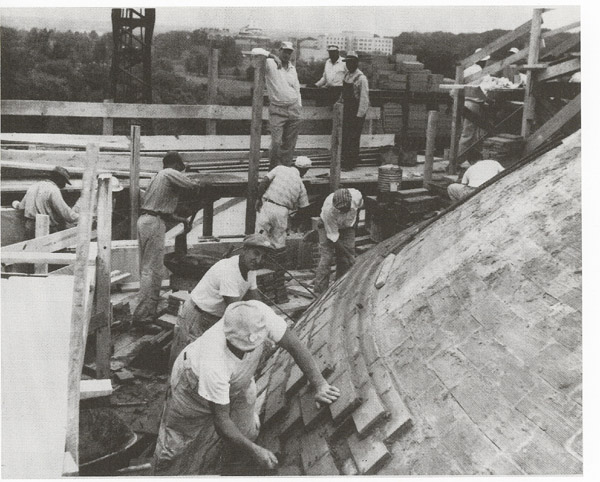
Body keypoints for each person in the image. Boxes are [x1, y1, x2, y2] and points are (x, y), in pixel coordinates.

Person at [153, 300, 341, 475]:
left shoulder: (257, 314)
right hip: (190, 386)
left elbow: (294, 345)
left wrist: (320, 384)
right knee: (177, 442)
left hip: (237, 379)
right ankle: (163, 473)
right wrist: (256, 451)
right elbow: (221, 421)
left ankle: (234, 461)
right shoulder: (213, 362)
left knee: (248, 430)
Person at [169, 233, 274, 368]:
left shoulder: (250, 269)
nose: (259, 260)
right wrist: (259, 337)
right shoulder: (229, 270)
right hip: (197, 316)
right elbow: (236, 312)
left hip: (213, 318)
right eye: (256, 253)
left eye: (263, 257)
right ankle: (170, 388)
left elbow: (256, 301)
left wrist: (269, 324)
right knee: (185, 362)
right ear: (245, 250)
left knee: (205, 364)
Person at [132, 151, 202, 326]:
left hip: (147, 220)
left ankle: (144, 313)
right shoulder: (169, 173)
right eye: (180, 169)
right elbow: (193, 185)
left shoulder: (158, 178)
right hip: (153, 223)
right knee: (153, 271)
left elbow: (162, 209)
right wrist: (196, 178)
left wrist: (182, 220)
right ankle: (144, 318)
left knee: (147, 270)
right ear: (176, 166)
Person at [252, 42, 302, 169]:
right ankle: (273, 169)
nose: (287, 54)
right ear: (279, 50)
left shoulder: (292, 68)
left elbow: (296, 88)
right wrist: (271, 56)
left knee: (289, 144)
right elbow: (254, 51)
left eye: (289, 52)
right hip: (277, 109)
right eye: (285, 51)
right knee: (276, 142)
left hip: (293, 108)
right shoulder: (270, 64)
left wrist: (299, 107)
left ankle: (284, 170)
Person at [313, 188, 363, 294]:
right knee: (327, 258)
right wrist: (350, 256)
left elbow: (359, 209)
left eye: (345, 209)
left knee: (345, 259)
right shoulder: (329, 210)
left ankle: (340, 286)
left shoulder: (357, 196)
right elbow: (334, 239)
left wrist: (355, 226)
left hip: (347, 226)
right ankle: (320, 291)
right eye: (340, 210)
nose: (342, 212)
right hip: (327, 227)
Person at [255, 156, 312, 250]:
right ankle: (275, 262)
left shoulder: (279, 168)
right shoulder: (301, 185)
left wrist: (258, 199)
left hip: (268, 205)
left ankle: (260, 259)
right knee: (278, 242)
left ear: (294, 164)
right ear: (305, 170)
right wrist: (295, 224)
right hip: (282, 212)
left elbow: (264, 182)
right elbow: (304, 209)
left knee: (260, 237)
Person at [12, 166, 78, 239]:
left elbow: (21, 206)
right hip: (46, 227)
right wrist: (80, 218)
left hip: (30, 227)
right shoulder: (53, 190)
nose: (64, 185)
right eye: (64, 181)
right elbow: (64, 211)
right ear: (59, 178)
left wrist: (15, 203)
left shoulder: (33, 186)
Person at [338, 51, 370, 171]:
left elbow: (364, 99)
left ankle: (350, 163)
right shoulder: (347, 76)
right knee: (345, 137)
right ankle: (348, 159)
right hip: (346, 111)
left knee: (353, 137)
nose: (349, 65)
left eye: (351, 63)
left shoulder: (361, 78)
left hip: (356, 112)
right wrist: (339, 103)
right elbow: (343, 93)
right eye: (347, 63)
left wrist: (359, 115)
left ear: (356, 63)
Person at [458, 48, 490, 161]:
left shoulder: (467, 70)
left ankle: (464, 159)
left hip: (465, 103)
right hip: (475, 104)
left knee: (466, 133)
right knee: (470, 134)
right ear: (483, 61)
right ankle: (460, 160)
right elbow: (487, 88)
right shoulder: (482, 72)